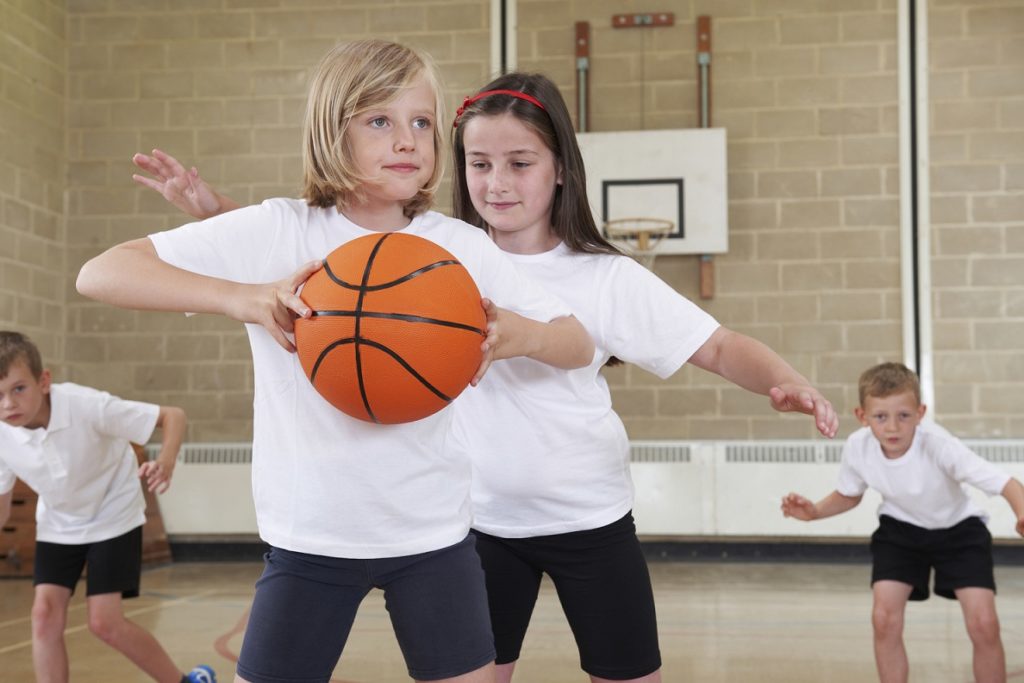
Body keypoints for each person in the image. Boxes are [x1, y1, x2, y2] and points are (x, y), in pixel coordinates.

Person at [129, 71, 838, 683]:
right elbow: (335, 281)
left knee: (629, 671)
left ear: (561, 167)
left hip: (588, 517)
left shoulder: (603, 277)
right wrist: (222, 220)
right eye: (479, 163)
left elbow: (715, 345)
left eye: (519, 163)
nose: (496, 183)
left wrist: (784, 379)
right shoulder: (432, 255)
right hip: (478, 522)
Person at [77, 41, 593, 683]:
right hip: (311, 537)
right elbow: (101, 273)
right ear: (331, 129)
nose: (407, 140)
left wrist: (521, 334)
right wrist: (240, 297)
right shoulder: (278, 231)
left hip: (434, 534)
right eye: (380, 120)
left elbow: (578, 342)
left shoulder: (457, 246)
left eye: (423, 123)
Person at [782, 362, 1024, 683]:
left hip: (960, 532)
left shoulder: (938, 445)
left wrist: (1022, 513)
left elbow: (1005, 483)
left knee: (983, 624)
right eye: (881, 417)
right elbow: (849, 494)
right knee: (884, 619)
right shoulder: (858, 446)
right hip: (900, 532)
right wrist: (814, 511)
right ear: (862, 416)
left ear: (920, 413)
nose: (893, 427)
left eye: (904, 416)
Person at [0, 332, 216, 683]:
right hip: (60, 522)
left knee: (104, 622)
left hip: (114, 514)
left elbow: (172, 416)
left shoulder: (87, 405)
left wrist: (166, 461)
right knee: (43, 615)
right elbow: (2, 509)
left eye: (18, 388)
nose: (8, 404)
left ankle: (183, 681)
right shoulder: (3, 435)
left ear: (44, 381)